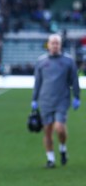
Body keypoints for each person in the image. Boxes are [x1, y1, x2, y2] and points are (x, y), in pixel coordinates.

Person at [31, 34, 80, 169]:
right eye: (52, 43)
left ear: (60, 45)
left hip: (62, 100)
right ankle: (50, 159)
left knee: (59, 128)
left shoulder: (68, 61)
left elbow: (74, 80)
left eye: (57, 43)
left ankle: (63, 148)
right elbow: (37, 82)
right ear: (48, 44)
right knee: (47, 130)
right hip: (45, 100)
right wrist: (34, 99)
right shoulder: (41, 61)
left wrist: (77, 96)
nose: (54, 45)